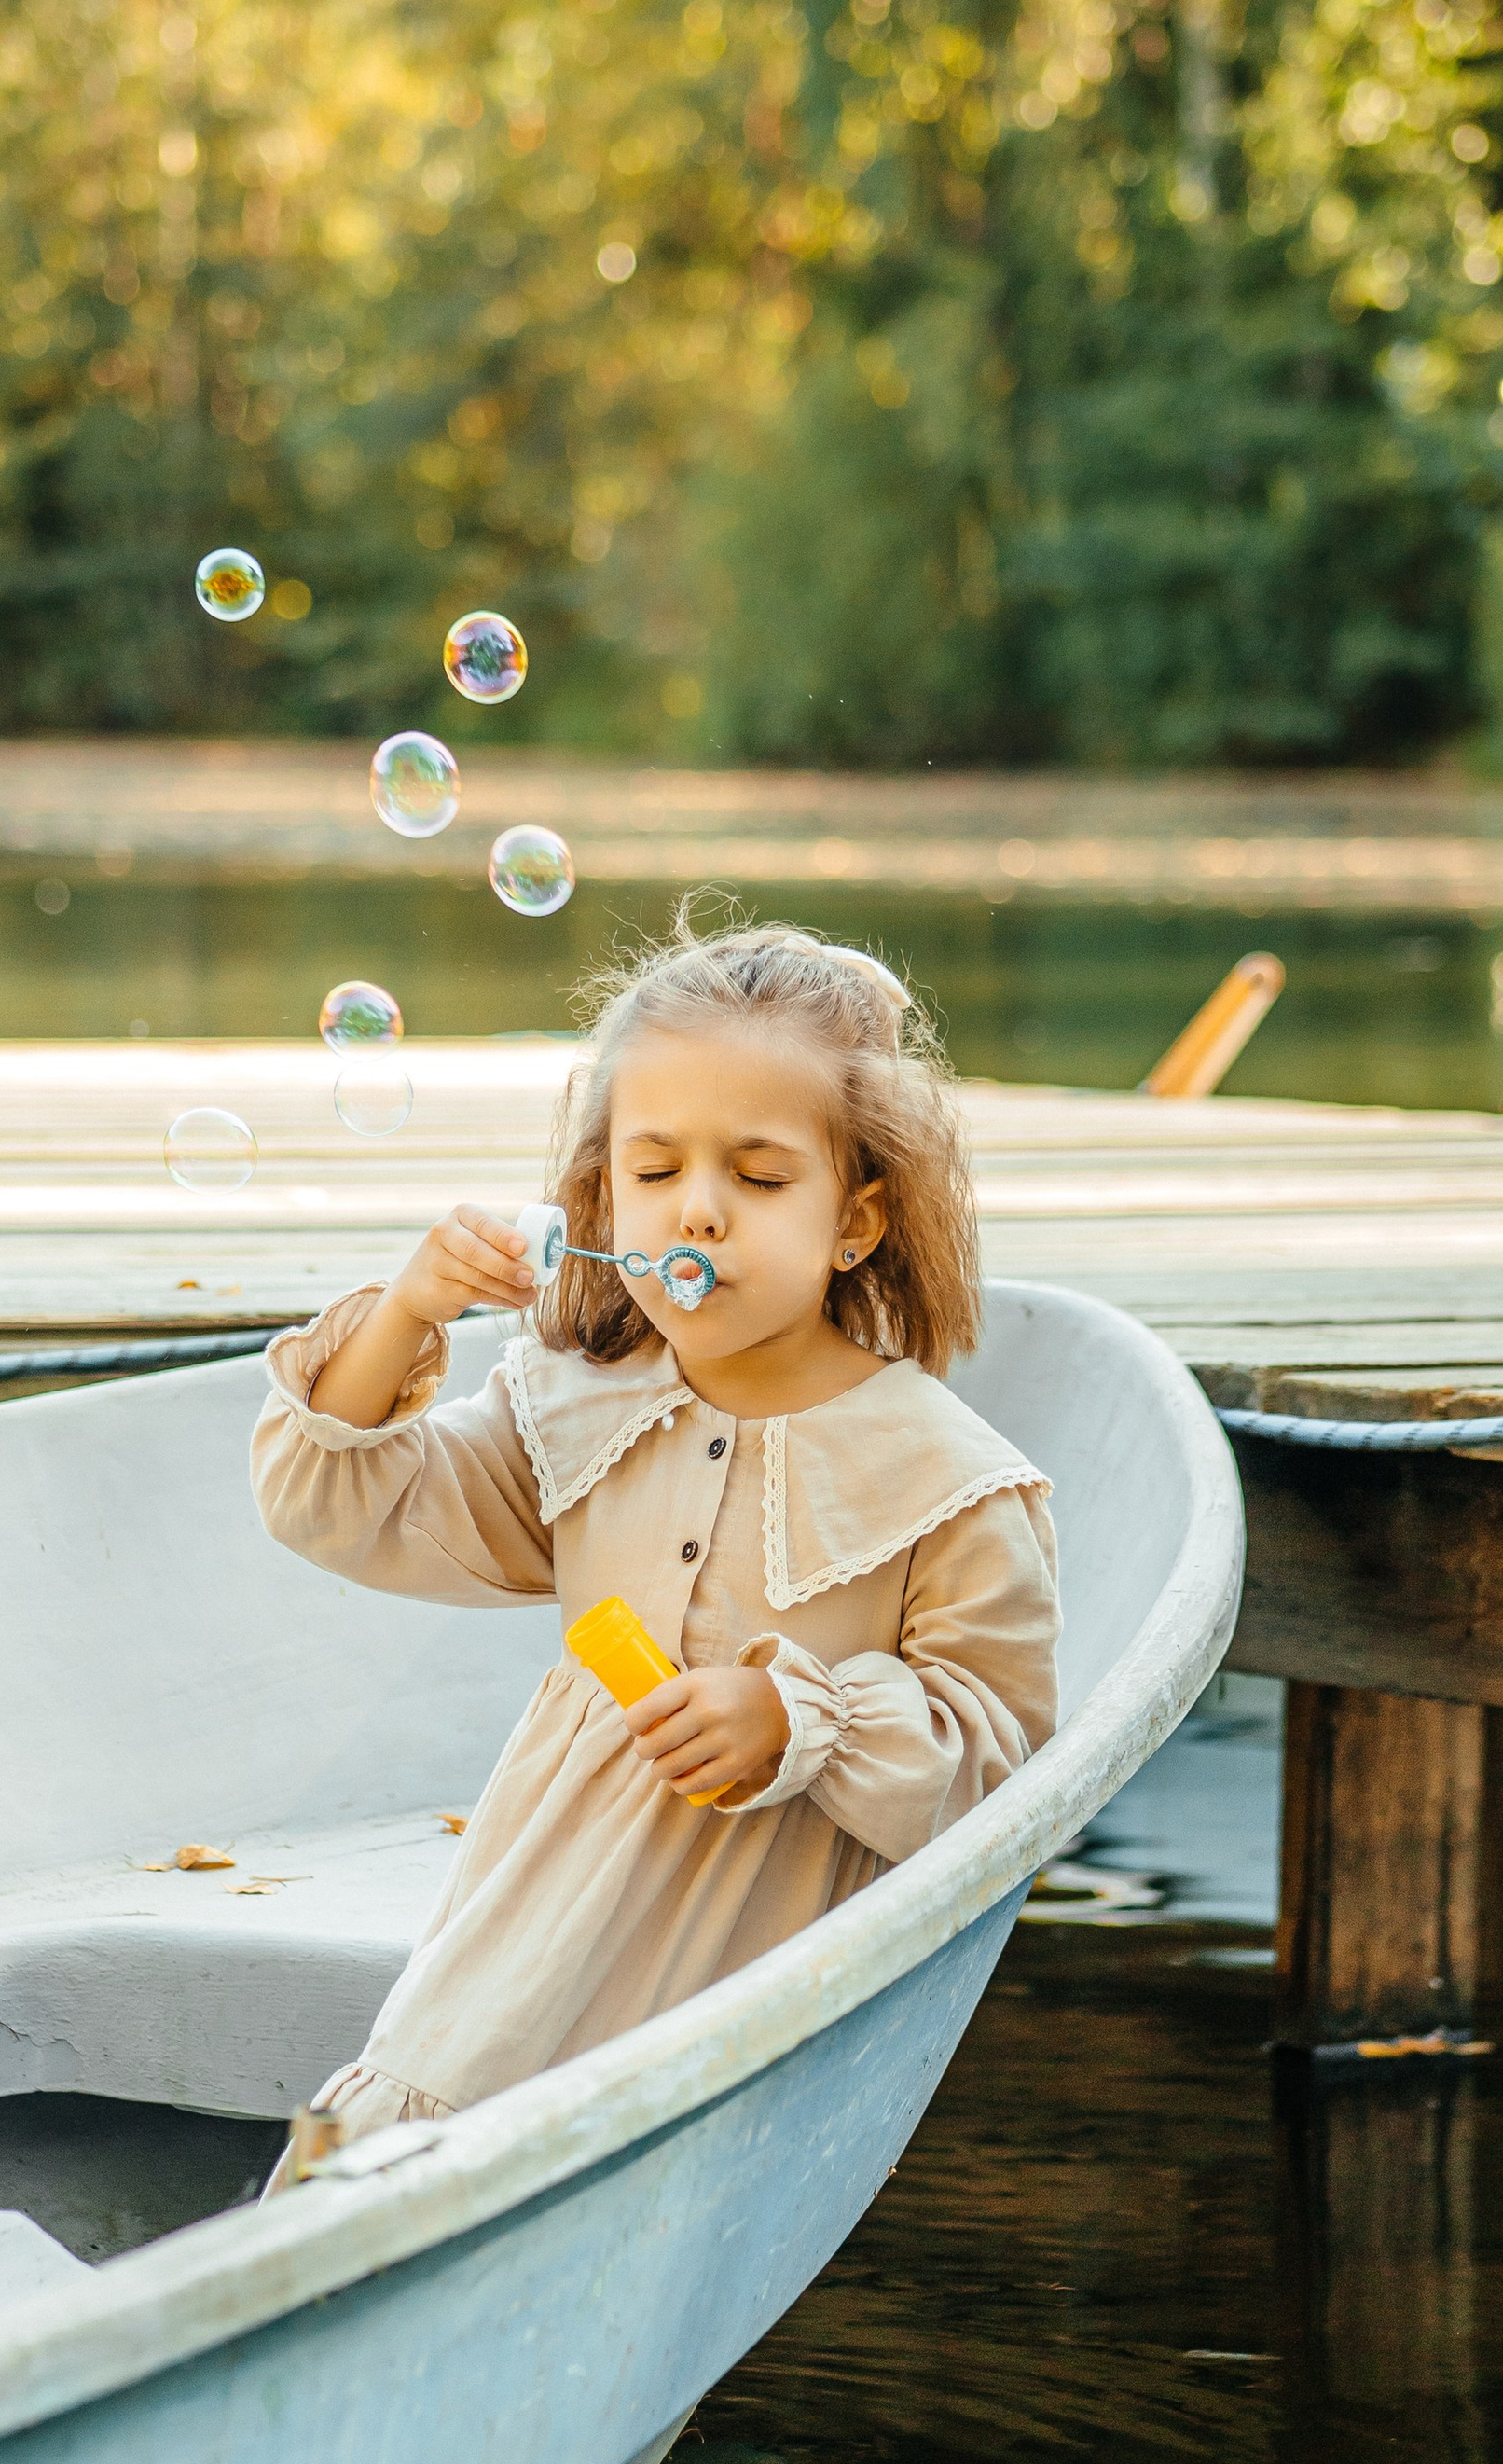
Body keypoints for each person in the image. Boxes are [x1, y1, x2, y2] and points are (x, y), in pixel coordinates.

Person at [250, 914, 1060, 2184]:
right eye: (655, 1168)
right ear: (599, 1197)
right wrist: (412, 1307)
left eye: (759, 1175)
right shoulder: (577, 1408)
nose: (699, 1211)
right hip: (527, 1952)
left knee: (614, 2206)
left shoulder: (947, 1482)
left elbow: (998, 1765)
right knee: (400, 2172)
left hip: (740, 1978)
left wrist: (803, 1720)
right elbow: (344, 1503)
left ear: (856, 1220)